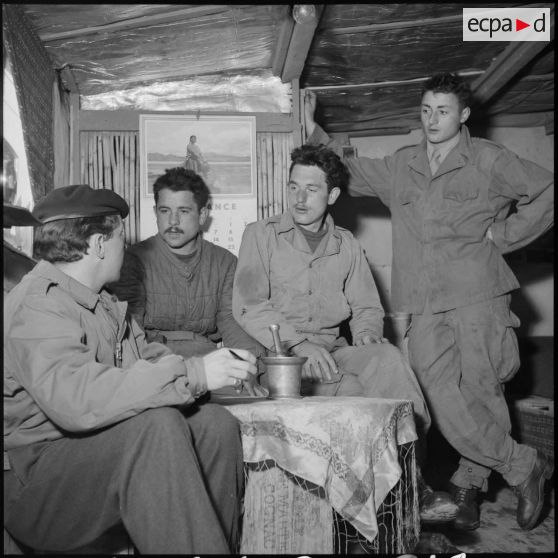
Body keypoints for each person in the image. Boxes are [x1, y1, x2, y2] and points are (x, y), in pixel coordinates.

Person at [304, 73, 554, 531]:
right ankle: (522, 465)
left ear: (463, 115)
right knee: (434, 397)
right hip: (420, 302)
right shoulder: (403, 164)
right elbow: (349, 172)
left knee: (483, 391)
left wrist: (506, 235)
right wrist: (315, 132)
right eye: (425, 110)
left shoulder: (488, 159)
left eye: (442, 111)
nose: (432, 120)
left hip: (479, 294)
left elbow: (548, 190)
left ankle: (469, 487)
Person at [4, 184, 258, 554]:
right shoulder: (36, 304)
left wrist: (208, 370)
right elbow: (77, 400)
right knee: (156, 427)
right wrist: (195, 373)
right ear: (98, 245)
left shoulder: (103, 304)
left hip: (84, 455)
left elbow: (145, 360)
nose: (126, 246)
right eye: (121, 236)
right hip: (33, 482)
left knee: (214, 424)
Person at [232, 143, 457, 523]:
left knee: (386, 358)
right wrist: (296, 342)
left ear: (332, 194)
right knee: (353, 393)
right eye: (293, 187)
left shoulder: (347, 246)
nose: (299, 198)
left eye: (311, 189)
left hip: (332, 351)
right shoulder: (261, 235)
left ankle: (415, 482)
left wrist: (368, 334)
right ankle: (374, 510)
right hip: (279, 358)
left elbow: (367, 307)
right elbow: (249, 305)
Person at [110, 166, 266, 396]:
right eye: (165, 211)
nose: (172, 221)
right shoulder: (133, 260)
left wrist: (246, 369)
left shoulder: (224, 263)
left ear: (202, 215)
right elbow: (131, 332)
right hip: (153, 364)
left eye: (183, 211)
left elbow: (233, 324)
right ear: (155, 212)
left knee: (246, 398)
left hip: (209, 362)